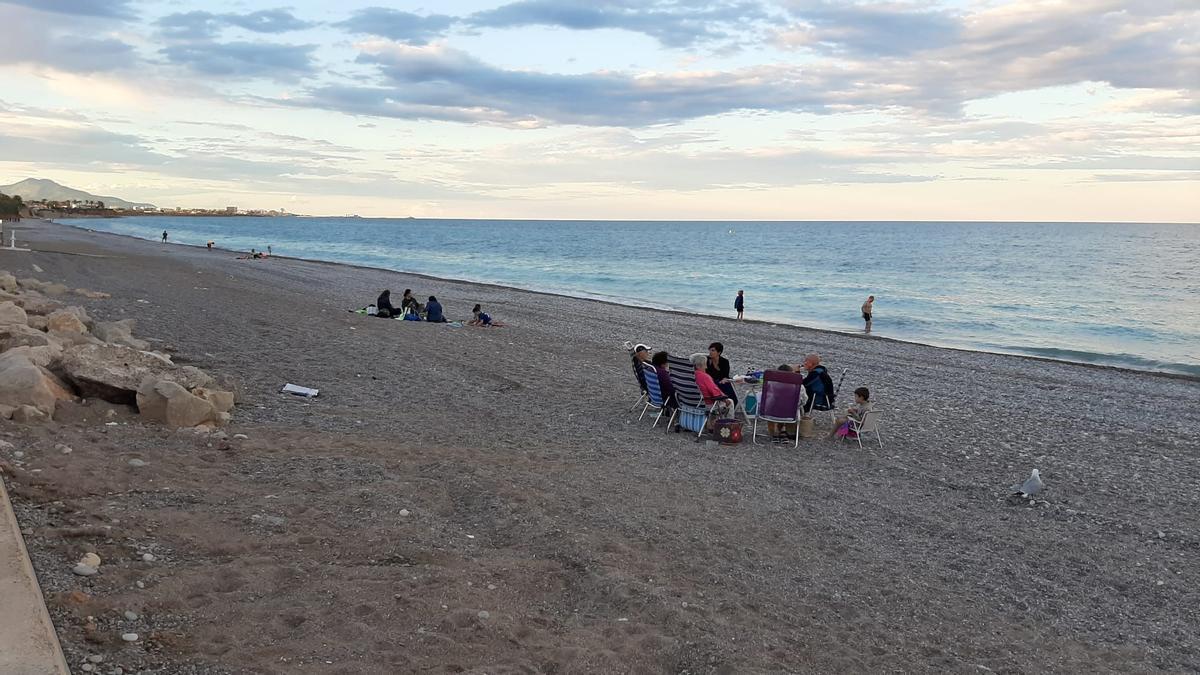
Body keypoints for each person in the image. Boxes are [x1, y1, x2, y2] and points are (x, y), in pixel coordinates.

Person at [692, 353, 733, 426]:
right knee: (730, 402)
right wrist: (725, 399)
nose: (706, 367)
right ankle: (728, 425)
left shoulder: (691, 375)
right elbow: (715, 391)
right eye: (705, 365)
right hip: (707, 403)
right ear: (700, 366)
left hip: (692, 402)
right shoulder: (705, 377)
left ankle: (710, 423)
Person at [766, 364, 797, 442]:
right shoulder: (797, 386)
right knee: (788, 406)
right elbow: (803, 400)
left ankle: (774, 432)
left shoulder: (771, 384)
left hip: (770, 413)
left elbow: (767, 397)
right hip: (790, 414)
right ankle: (784, 430)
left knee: (774, 403)